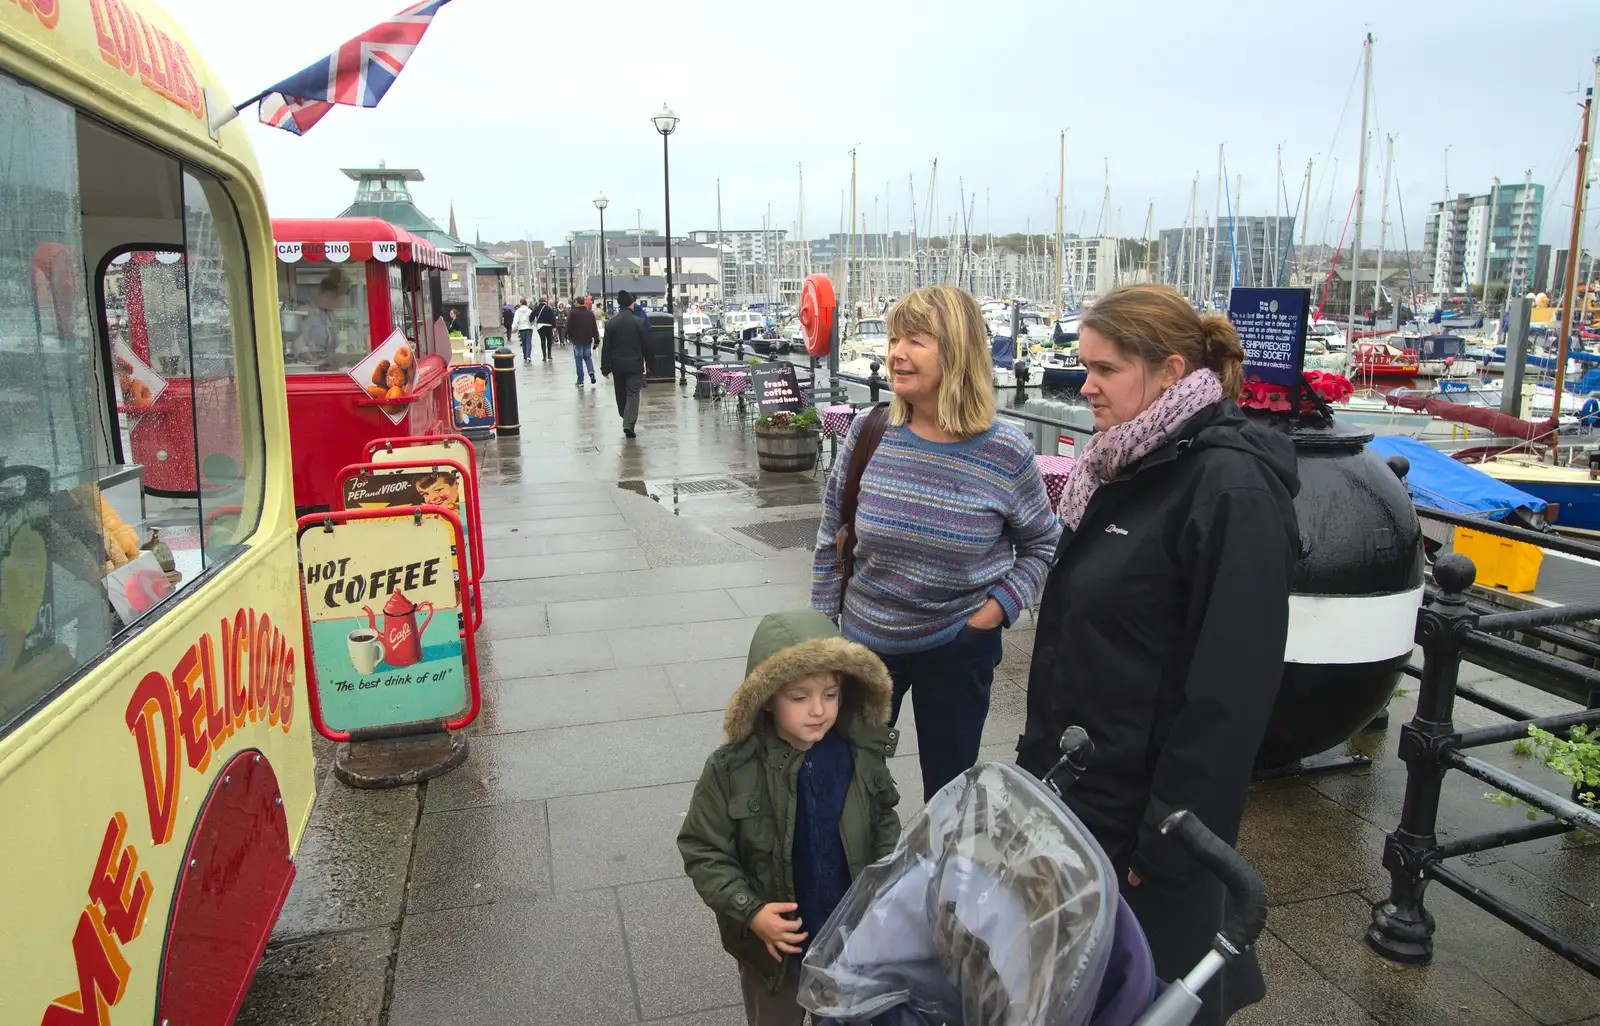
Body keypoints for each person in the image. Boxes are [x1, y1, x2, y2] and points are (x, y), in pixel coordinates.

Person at [1015, 284, 1299, 1026]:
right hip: (1080, 794)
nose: (1087, 386)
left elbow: (1228, 694)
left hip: (1146, 828)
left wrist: (1173, 840)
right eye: (1085, 366)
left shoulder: (1228, 487)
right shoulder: (1126, 464)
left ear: (1170, 372)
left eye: (1105, 369)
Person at [812, 284, 1061, 802]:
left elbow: (1043, 542)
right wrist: (822, 632)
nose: (896, 353)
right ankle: (856, 882)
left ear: (959, 353)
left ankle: (938, 881)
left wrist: (993, 614)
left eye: (916, 340)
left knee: (948, 794)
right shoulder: (870, 432)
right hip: (865, 642)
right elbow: (830, 531)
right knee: (844, 786)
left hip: (957, 645)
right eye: (893, 338)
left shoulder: (1005, 449)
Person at [677, 610, 901, 1026]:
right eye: (799, 698)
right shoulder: (732, 769)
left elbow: (883, 815)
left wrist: (884, 880)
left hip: (846, 935)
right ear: (766, 700)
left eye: (831, 694)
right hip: (775, 949)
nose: (818, 710)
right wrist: (750, 910)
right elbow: (703, 847)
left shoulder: (858, 752)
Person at [600, 289, 648, 438]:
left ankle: (625, 416)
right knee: (633, 394)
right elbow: (647, 345)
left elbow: (606, 347)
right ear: (630, 304)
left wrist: (605, 368)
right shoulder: (638, 322)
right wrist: (650, 362)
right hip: (635, 365)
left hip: (617, 366)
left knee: (620, 394)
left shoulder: (611, 323)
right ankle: (629, 422)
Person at [291, 273, 345, 367]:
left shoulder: (330, 315)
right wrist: (314, 360)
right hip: (308, 366)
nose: (337, 303)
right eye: (333, 297)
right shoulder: (305, 313)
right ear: (323, 294)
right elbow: (298, 345)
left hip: (327, 364)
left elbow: (333, 341)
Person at [566, 294, 598, 386]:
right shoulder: (590, 314)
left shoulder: (573, 313)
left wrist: (569, 336)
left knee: (578, 359)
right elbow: (594, 328)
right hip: (587, 339)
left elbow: (569, 326)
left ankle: (580, 380)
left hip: (577, 339)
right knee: (587, 357)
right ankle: (591, 372)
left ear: (576, 303)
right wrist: (596, 339)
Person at [511, 297, 534, 362]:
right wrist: (531, 324)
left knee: (523, 343)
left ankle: (525, 355)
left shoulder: (518, 311)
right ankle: (528, 356)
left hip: (521, 328)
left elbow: (516, 320)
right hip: (529, 328)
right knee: (528, 342)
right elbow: (533, 319)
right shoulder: (529, 311)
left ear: (521, 303)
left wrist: (514, 327)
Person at [534, 296, 557, 360]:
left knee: (542, 341)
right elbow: (553, 318)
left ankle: (544, 356)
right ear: (545, 301)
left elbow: (531, 316)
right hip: (549, 326)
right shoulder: (549, 308)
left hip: (540, 326)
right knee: (549, 341)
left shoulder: (536, 308)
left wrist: (532, 322)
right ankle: (549, 354)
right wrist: (554, 326)